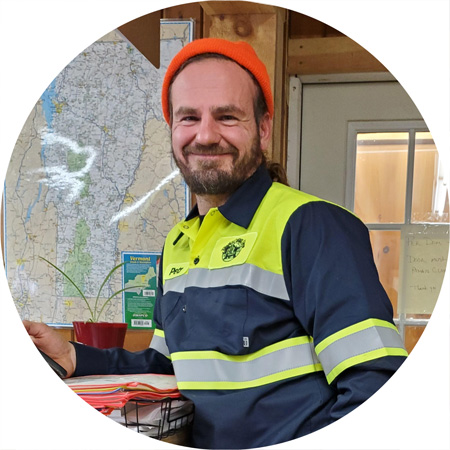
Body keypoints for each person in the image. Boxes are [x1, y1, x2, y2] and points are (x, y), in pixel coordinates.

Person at [24, 38, 408, 449]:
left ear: (262, 129)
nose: (205, 136)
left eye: (227, 116)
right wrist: (72, 356)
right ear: (172, 128)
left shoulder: (311, 226)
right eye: (188, 117)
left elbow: (376, 387)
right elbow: (167, 366)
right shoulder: (176, 243)